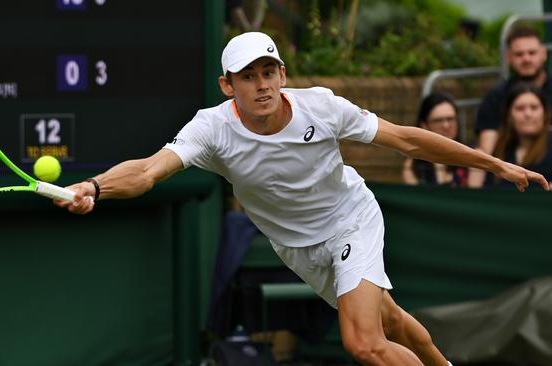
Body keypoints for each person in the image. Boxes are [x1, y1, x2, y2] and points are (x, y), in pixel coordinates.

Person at [56, 32, 549, 366]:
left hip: (351, 219)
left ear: (283, 74)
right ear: (228, 86)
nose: (262, 84)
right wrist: (95, 186)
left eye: (268, 71)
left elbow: (407, 139)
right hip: (299, 250)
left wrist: (496, 164)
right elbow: (146, 171)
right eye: (248, 76)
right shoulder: (211, 129)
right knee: (390, 320)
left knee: (364, 344)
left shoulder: (324, 108)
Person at [470, 26, 552, 187]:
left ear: (543, 54)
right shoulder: (496, 96)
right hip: (507, 167)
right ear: (508, 57)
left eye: (532, 52)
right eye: (519, 54)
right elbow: (486, 149)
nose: (526, 59)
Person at [485, 83, 552, 188]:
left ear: (545, 113)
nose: (528, 114)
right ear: (509, 116)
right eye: (520, 108)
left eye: (534, 108)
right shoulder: (499, 150)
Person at [403, 92, 467, 187]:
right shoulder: (412, 165)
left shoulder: (471, 156)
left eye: (450, 119)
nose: (446, 125)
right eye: (438, 120)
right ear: (424, 125)